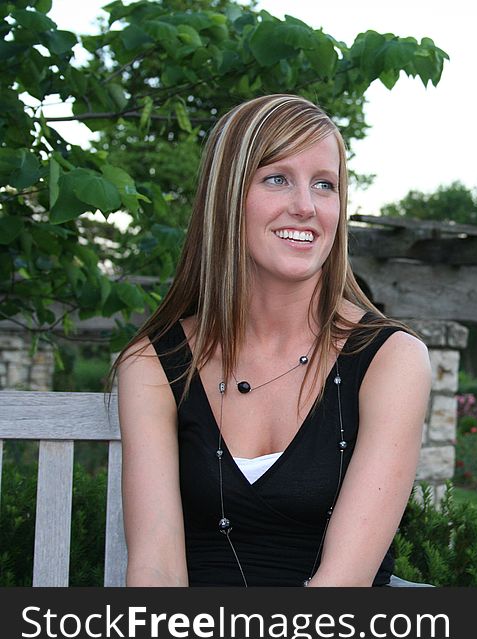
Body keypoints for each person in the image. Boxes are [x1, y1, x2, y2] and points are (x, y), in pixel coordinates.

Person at [113, 94, 432, 587]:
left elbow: (343, 583)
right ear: (228, 196)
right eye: (277, 178)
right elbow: (156, 567)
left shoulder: (392, 361)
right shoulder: (155, 364)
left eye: (324, 185)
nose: (305, 206)